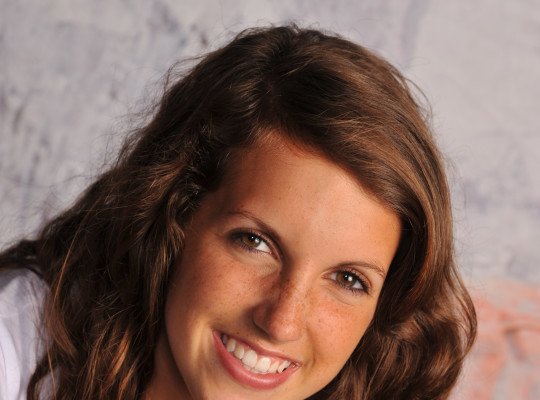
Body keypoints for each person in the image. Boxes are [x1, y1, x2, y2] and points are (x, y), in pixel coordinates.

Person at [0, 25, 476, 399]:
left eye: (349, 279)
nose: (282, 321)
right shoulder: (14, 347)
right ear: (173, 216)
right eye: (256, 242)